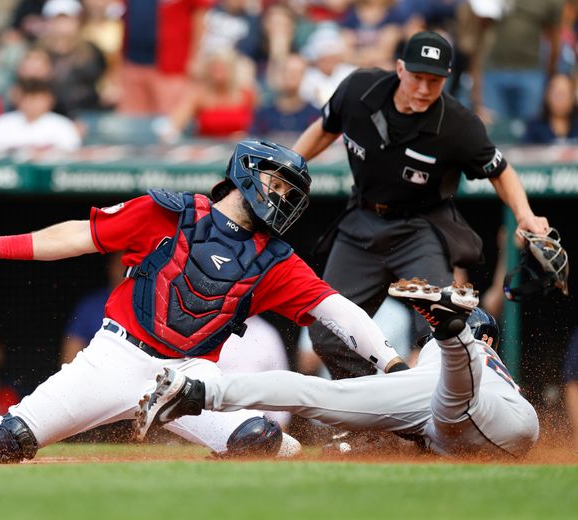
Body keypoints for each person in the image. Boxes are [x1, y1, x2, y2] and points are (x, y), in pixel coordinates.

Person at [0, 139, 409, 464]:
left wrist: (390, 362)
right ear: (247, 173)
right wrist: (1, 245)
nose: (282, 198)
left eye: (290, 192)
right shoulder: (173, 212)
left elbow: (336, 310)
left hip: (187, 381)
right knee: (6, 440)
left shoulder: (275, 260)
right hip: (116, 358)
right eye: (277, 183)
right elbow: (79, 235)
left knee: (263, 443)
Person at [292, 30, 551, 380]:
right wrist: (289, 166)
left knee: (446, 329)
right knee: (328, 332)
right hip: (362, 223)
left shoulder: (457, 124)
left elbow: (501, 171)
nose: (424, 88)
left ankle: (443, 423)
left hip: (422, 228)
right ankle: (376, 417)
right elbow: (325, 128)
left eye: (435, 80)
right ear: (399, 69)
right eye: (417, 77)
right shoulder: (359, 90)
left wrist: (525, 214)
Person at [136, 278, 540, 458]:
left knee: (320, 394)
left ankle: (197, 392)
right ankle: (455, 335)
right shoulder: (493, 365)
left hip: (444, 398)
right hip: (504, 420)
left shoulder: (440, 354)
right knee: (454, 406)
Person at [0, 78, 81, 151]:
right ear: (18, 100)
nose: (33, 104)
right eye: (29, 98)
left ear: (50, 101)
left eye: (38, 99)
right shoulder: (1, 124)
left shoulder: (63, 125)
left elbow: (71, 154)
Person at [522, 73, 578, 145]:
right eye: (556, 94)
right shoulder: (535, 128)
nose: (560, 100)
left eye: (564, 94)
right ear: (547, 96)